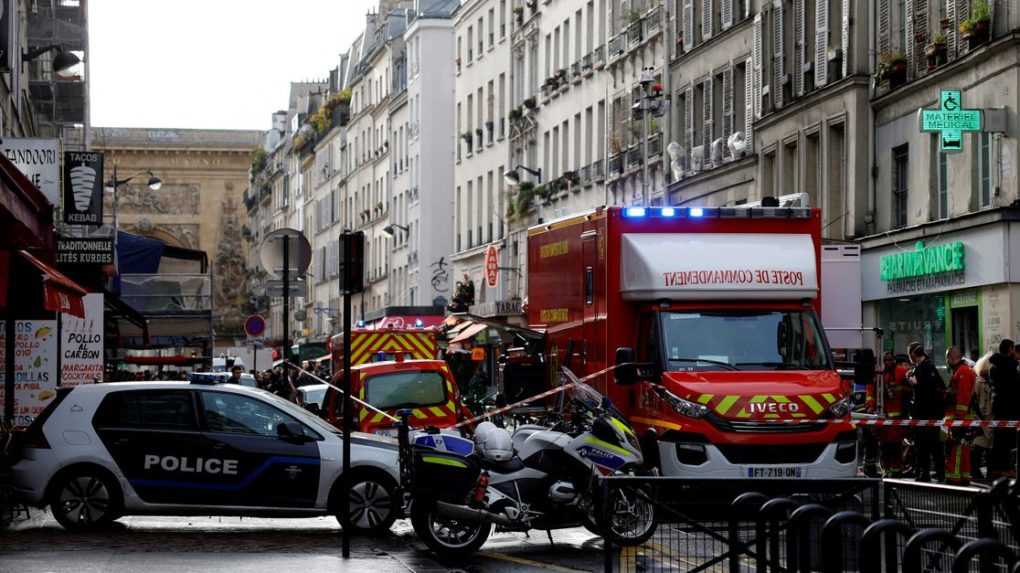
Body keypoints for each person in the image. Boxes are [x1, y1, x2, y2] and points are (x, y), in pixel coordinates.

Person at [907, 342, 946, 482]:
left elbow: (926, 389)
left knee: (925, 445)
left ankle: (926, 473)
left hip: (926, 413)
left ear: (913, 354)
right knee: (932, 445)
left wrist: (912, 381)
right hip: (929, 413)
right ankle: (936, 472)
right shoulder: (926, 367)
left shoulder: (926, 367)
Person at [873, 351, 910, 477]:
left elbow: (911, 389)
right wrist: (871, 407)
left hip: (897, 417)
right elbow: (871, 391)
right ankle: (886, 470)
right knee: (884, 446)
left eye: (890, 360)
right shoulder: (878, 373)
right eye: (886, 360)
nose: (888, 362)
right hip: (882, 416)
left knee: (895, 445)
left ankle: (896, 470)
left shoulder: (901, 372)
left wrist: (900, 389)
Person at [988, 339, 1020, 479]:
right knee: (1008, 440)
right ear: (1010, 349)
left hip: (997, 406)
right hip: (1010, 407)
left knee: (998, 439)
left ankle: (995, 469)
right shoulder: (1012, 366)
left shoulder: (993, 367)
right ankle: (1007, 469)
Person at [945, 346, 977, 485]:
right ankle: (963, 475)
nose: (947, 361)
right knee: (963, 448)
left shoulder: (962, 371)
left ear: (952, 357)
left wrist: (959, 416)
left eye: (947, 357)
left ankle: (954, 477)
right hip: (961, 417)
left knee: (956, 447)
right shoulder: (961, 370)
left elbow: (963, 396)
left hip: (960, 417)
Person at [971, 352, 996, 481]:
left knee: (988, 447)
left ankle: (988, 473)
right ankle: (976, 472)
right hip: (982, 418)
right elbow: (973, 400)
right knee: (980, 445)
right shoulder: (979, 382)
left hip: (989, 419)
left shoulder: (988, 382)